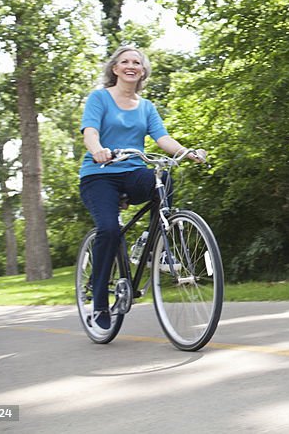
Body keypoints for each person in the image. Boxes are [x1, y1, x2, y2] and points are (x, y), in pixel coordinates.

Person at [78, 45, 204, 330]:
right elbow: (90, 132)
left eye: (137, 62)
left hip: (133, 171)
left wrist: (185, 153)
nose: (131, 66)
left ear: (143, 71)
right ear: (115, 68)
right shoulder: (100, 98)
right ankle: (99, 304)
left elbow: (162, 138)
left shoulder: (146, 107)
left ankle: (153, 243)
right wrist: (97, 149)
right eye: (125, 61)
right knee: (109, 230)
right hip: (100, 174)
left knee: (163, 178)